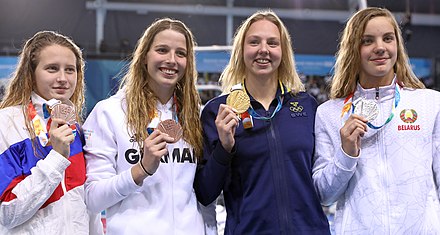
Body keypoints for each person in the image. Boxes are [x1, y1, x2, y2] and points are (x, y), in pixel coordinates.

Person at [194, 10, 330, 234]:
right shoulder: (217, 112)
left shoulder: (307, 106)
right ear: (241, 50)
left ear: (283, 52)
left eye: (272, 43)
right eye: (254, 42)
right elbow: (205, 193)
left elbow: (322, 178)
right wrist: (224, 148)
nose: (263, 50)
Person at [83, 18, 216, 234]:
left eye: (180, 53)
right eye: (162, 50)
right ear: (145, 57)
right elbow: (92, 198)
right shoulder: (110, 113)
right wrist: (141, 170)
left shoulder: (196, 117)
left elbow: (203, 198)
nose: (172, 60)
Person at [313, 7, 440, 234]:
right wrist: (346, 153)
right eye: (367, 41)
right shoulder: (329, 114)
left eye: (387, 38)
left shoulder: (430, 104)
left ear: (397, 46)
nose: (380, 47)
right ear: (353, 48)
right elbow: (324, 194)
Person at [0, 31, 102, 234]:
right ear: (31, 73)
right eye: (52, 69)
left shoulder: (78, 129)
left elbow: (88, 207)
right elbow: (6, 213)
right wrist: (56, 157)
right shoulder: (7, 122)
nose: (63, 78)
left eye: (70, 70)